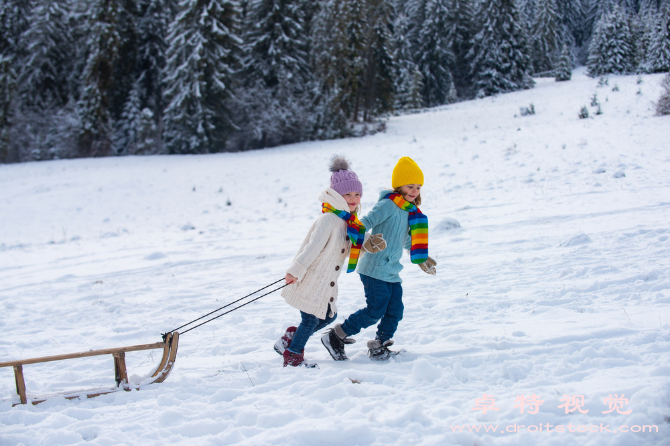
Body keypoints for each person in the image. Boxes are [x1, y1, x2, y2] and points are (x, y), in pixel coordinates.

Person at [321, 156, 437, 361]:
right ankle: (336, 336)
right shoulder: (388, 205)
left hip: (391, 270)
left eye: (418, 187)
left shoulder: (408, 211)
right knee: (375, 310)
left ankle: (379, 344)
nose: (414, 191)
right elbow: (363, 222)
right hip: (373, 268)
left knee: (395, 310)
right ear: (399, 186)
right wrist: (365, 240)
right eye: (410, 186)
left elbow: (405, 239)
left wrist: (422, 257)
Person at [275, 155, 386, 367]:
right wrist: (294, 271)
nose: (353, 198)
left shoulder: (346, 222)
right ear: (336, 194)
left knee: (327, 318)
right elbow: (312, 248)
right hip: (311, 279)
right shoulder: (329, 220)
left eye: (357, 194)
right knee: (310, 320)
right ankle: (293, 355)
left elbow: (342, 251)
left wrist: (365, 246)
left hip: (326, 283)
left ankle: (291, 338)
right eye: (347, 194)